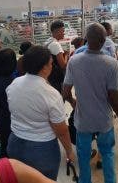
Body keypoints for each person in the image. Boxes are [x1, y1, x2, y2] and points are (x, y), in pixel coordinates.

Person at [63, 23, 118, 183]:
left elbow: (65, 90)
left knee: (83, 157)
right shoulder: (111, 64)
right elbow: (114, 97)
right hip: (104, 120)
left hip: (83, 120)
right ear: (103, 40)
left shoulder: (74, 61)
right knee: (107, 154)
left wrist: (73, 102)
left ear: (86, 39)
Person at [6, 46, 74, 180]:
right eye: (50, 63)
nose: (52, 66)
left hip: (15, 143)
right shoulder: (51, 94)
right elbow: (61, 130)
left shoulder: (14, 83)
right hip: (41, 149)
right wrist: (69, 151)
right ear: (43, 67)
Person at [44, 20, 68, 93]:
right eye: (63, 31)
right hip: (56, 78)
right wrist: (67, 55)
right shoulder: (56, 45)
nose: (64, 33)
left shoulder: (48, 41)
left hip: (49, 76)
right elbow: (63, 65)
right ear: (57, 31)